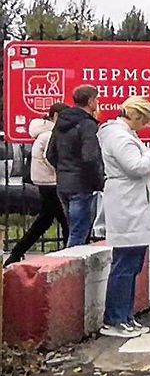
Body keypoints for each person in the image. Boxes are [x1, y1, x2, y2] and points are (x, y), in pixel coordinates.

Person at [97, 97, 150, 338]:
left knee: (133, 262)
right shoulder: (119, 136)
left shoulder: (125, 135)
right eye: (145, 121)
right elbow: (135, 167)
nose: (146, 126)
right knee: (125, 264)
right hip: (128, 205)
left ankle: (125, 315)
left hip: (134, 205)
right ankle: (115, 319)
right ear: (136, 116)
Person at [4, 103, 70, 267]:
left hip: (45, 181)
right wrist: (64, 170)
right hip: (51, 182)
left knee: (46, 220)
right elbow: (51, 158)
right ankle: (69, 255)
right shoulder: (49, 135)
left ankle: (16, 253)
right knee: (65, 220)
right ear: (55, 116)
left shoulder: (45, 133)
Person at [47, 85, 105, 247]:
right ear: (91, 101)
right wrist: (98, 182)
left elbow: (50, 153)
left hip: (63, 183)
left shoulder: (62, 122)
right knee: (79, 233)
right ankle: (69, 270)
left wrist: (63, 170)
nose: (98, 102)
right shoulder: (87, 124)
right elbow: (90, 157)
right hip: (82, 185)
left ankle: (69, 266)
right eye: (97, 99)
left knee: (73, 228)